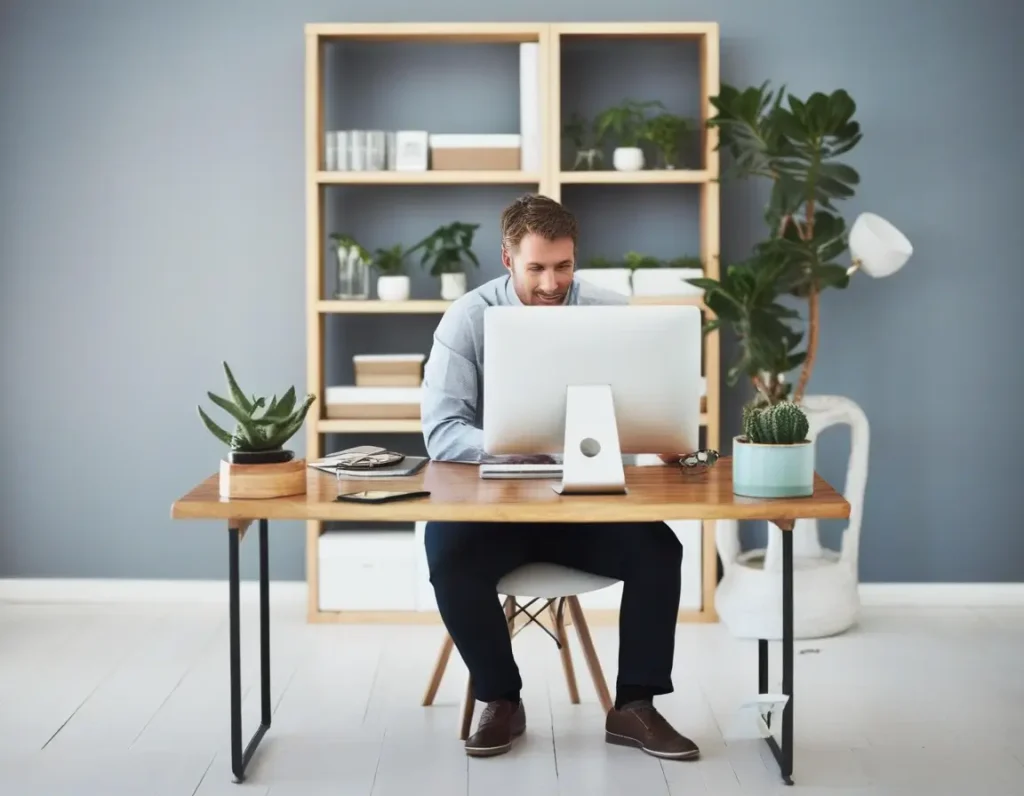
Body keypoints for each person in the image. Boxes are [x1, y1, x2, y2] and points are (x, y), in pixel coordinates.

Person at [418, 194, 700, 761]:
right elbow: (442, 432)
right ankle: (501, 699)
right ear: (507, 259)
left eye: (564, 266)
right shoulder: (467, 319)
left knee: (659, 552)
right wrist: (526, 453)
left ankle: (634, 706)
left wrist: (666, 439)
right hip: (496, 506)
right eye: (537, 268)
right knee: (448, 557)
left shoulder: (609, 312)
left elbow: (645, 407)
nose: (553, 282)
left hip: (586, 501)